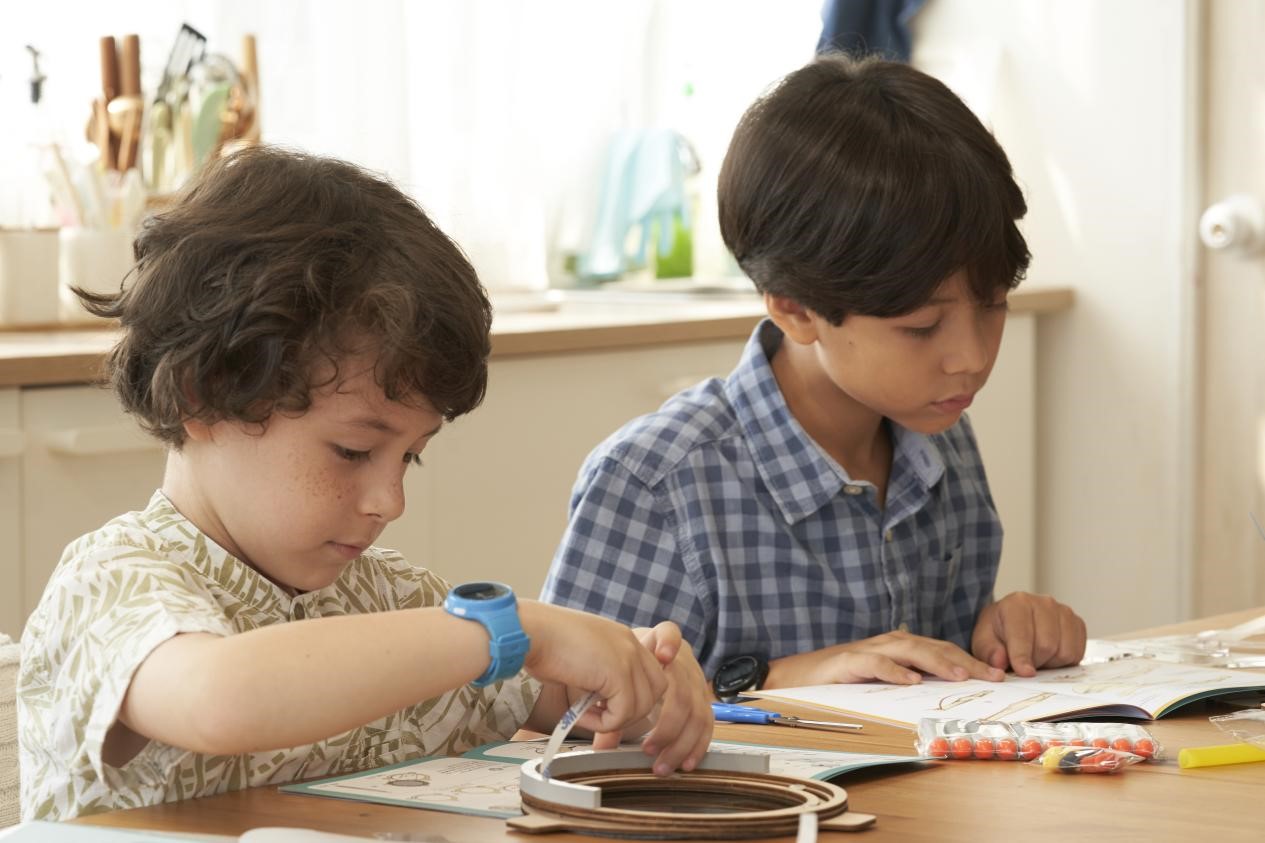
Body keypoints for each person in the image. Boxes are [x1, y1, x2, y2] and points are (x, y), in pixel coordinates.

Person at [18, 147, 712, 821]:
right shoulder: (109, 583)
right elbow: (222, 694)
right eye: (352, 450)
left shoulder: (386, 597)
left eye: (409, 456)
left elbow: (553, 687)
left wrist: (636, 674)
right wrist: (516, 626)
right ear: (201, 399)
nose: (390, 501)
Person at [541, 55, 1086, 694]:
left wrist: (1004, 635)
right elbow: (558, 712)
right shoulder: (659, 481)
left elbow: (936, 685)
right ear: (795, 308)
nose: (971, 356)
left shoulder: (941, 439)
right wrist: (781, 680)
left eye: (993, 303)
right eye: (920, 326)